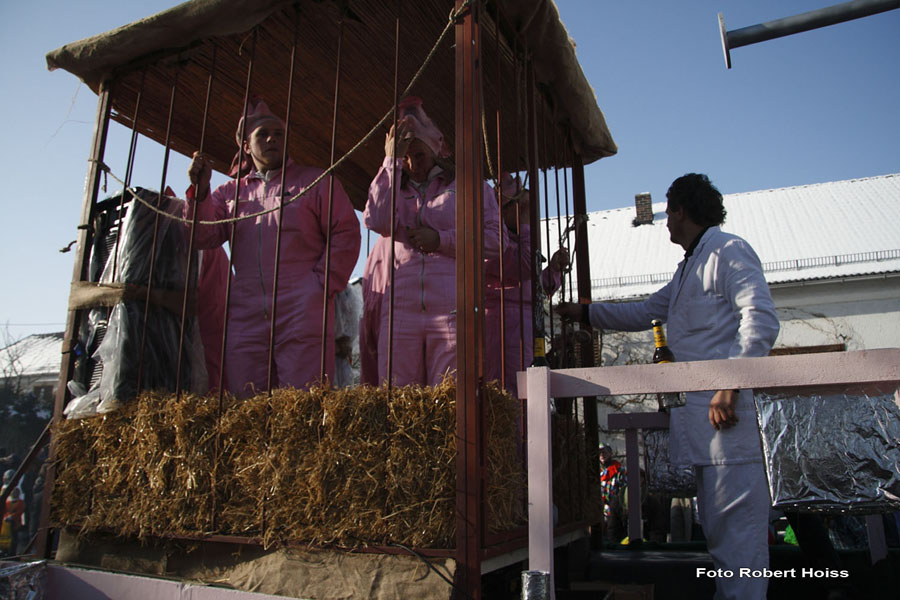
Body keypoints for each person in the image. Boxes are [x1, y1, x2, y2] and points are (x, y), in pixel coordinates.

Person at [558, 173, 779, 599]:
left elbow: (761, 319)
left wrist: (732, 380)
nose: (665, 224)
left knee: (740, 546)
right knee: (721, 539)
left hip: (728, 422)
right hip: (705, 425)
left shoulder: (728, 250)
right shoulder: (688, 269)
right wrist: (583, 314)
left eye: (668, 213)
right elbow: (644, 311)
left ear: (680, 210)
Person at [186, 97, 360, 396]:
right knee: (247, 397)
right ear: (246, 146)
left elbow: (345, 232)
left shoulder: (316, 182)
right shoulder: (229, 193)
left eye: (278, 133)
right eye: (262, 134)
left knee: (303, 399)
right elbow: (202, 237)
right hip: (246, 308)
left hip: (303, 307)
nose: (272, 139)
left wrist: (319, 285)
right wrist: (199, 194)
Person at [363, 96, 504, 386]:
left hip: (452, 309)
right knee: (397, 396)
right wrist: (391, 162)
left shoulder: (469, 186)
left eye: (419, 152)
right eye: (406, 153)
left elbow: (496, 241)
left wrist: (441, 240)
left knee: (450, 396)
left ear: (438, 145)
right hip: (400, 312)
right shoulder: (391, 182)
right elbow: (377, 220)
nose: (413, 160)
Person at [484, 173, 568, 396]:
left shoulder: (516, 240)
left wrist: (554, 271)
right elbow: (524, 267)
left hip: (522, 327)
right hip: (503, 327)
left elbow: (532, 284)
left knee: (529, 393)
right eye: (522, 206)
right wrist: (526, 225)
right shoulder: (492, 241)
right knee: (512, 393)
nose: (527, 212)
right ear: (502, 208)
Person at [598, 443, 626, 542]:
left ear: (610, 453)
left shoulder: (619, 471)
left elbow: (624, 492)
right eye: (599, 453)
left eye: (604, 452)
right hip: (599, 513)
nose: (601, 455)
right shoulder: (595, 471)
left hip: (614, 512)